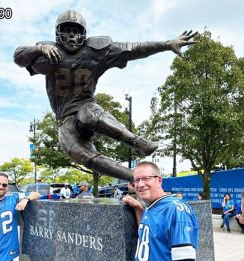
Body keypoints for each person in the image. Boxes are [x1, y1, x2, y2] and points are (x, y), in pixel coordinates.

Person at [14, 9, 197, 182]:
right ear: (58, 33)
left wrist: (167, 44)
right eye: (67, 31)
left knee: (88, 115)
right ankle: (134, 177)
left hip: (86, 106)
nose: (71, 36)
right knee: (85, 157)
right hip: (64, 120)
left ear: (83, 34)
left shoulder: (95, 51)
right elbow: (19, 56)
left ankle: (137, 142)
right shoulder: (49, 53)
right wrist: (39, 49)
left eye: (75, 31)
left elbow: (133, 49)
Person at [123, 161, 200, 261]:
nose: (140, 184)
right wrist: (139, 208)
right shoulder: (151, 207)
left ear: (159, 180)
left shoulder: (176, 210)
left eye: (146, 178)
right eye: (137, 180)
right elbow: (150, 235)